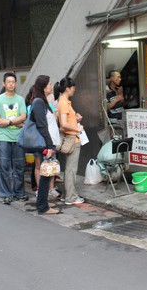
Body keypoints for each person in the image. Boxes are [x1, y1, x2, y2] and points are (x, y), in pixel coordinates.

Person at [0, 73, 28, 205]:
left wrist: (7, 122)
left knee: (19, 166)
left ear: (16, 84)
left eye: (13, 81)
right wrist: (15, 122)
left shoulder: (20, 99)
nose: (11, 84)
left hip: (18, 137)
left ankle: (19, 192)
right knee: (4, 166)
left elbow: (23, 116)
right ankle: (6, 193)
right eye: (8, 82)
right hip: (3, 137)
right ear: (4, 84)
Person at [30, 75, 60, 215]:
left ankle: (43, 202)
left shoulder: (43, 101)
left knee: (47, 174)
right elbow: (42, 126)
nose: (51, 86)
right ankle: (43, 207)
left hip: (49, 143)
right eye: (49, 84)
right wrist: (49, 145)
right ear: (43, 87)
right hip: (45, 144)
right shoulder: (38, 102)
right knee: (45, 174)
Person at [55, 76, 85, 205]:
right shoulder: (63, 102)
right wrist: (78, 128)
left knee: (68, 169)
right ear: (67, 88)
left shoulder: (63, 101)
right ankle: (71, 197)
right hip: (72, 139)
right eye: (73, 88)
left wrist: (76, 120)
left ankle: (66, 195)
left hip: (71, 138)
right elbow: (64, 124)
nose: (74, 90)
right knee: (71, 170)